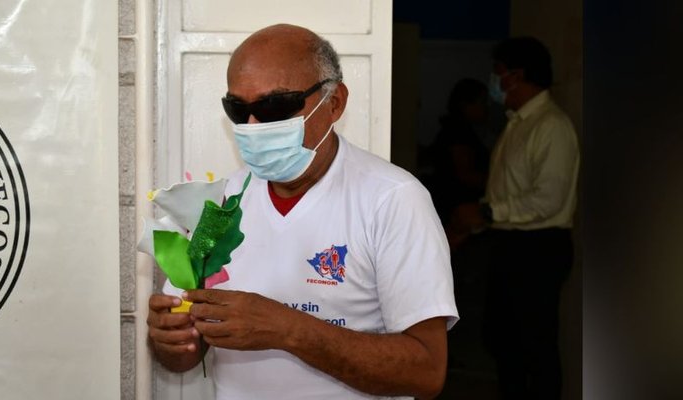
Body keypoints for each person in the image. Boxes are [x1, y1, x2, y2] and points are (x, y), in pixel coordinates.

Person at [146, 24, 458, 400]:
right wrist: (173, 340)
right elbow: (184, 355)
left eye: (275, 106)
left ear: (335, 102)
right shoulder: (221, 202)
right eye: (238, 109)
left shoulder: (392, 200)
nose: (253, 126)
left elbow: (426, 372)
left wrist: (289, 329)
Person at [457, 36, 579, 399]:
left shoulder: (551, 126)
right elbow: (506, 190)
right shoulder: (518, 123)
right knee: (504, 342)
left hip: (538, 248)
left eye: (498, 74)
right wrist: (478, 222)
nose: (494, 82)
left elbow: (547, 200)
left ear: (516, 75)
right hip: (510, 243)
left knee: (536, 346)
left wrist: (486, 212)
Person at [425, 78, 491, 249]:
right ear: (466, 104)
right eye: (482, 102)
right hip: (457, 208)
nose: (486, 108)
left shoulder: (461, 130)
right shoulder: (458, 133)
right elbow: (465, 174)